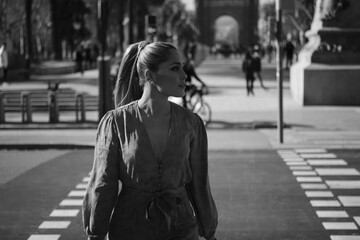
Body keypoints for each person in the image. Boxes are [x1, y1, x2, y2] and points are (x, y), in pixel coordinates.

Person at [82, 41, 218, 240]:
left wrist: (209, 231)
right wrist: (96, 234)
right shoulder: (116, 122)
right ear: (149, 75)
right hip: (130, 228)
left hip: (181, 229)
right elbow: (103, 184)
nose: (184, 75)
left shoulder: (192, 123)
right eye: (175, 68)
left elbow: (200, 184)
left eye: (182, 67)